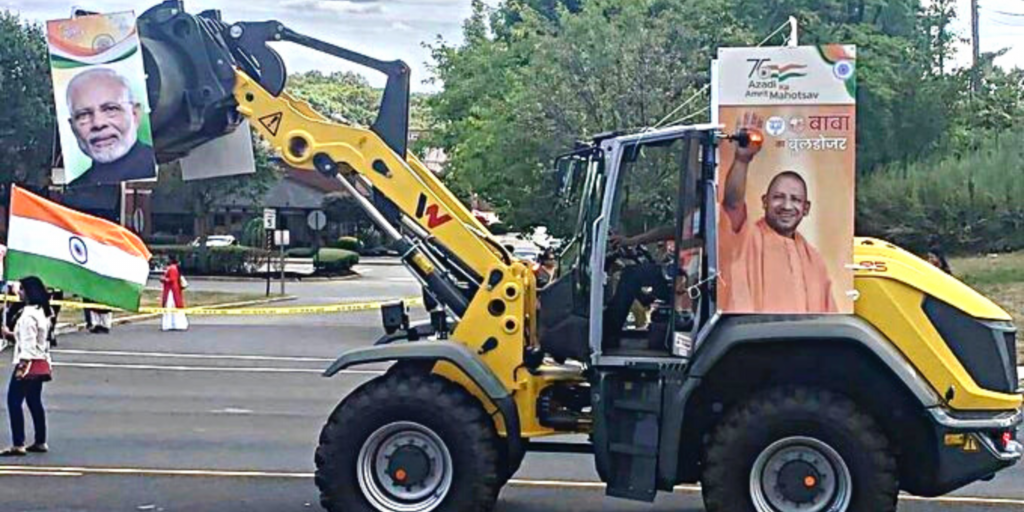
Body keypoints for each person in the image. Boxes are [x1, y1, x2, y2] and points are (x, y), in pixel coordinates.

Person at [718, 112, 836, 313]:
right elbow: (732, 204)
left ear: (805, 209)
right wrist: (742, 160)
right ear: (765, 202)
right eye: (778, 197)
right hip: (755, 339)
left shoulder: (815, 260)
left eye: (795, 200)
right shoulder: (747, 238)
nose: (787, 206)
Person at [65, 67, 156, 187]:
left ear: (135, 115)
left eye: (110, 109)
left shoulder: (162, 170)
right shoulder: (74, 190)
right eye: (83, 115)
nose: (98, 123)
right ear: (72, 127)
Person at [0, 277, 52, 456]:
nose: (19, 292)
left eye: (22, 289)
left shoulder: (28, 315)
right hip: (40, 361)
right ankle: (40, 440)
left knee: (14, 401)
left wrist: (22, 367)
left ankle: (18, 442)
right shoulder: (43, 312)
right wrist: (10, 335)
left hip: (28, 362)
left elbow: (28, 345)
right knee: (34, 401)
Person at [160, 256, 189, 331]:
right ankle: (176, 324)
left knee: (170, 306)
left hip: (171, 291)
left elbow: (172, 279)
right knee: (174, 306)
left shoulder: (172, 268)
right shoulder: (175, 268)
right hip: (175, 290)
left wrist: (164, 279)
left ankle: (170, 324)